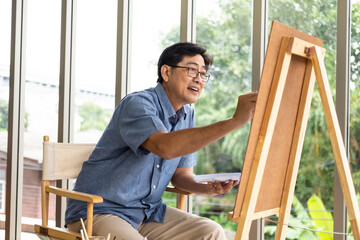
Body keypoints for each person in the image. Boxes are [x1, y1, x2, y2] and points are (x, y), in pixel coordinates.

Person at [65, 42, 258, 240]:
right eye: (192, 70)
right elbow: (164, 147)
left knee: (211, 231)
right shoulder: (138, 104)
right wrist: (235, 121)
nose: (199, 79)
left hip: (147, 214)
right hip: (100, 211)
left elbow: (181, 176)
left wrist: (208, 188)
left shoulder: (187, 115)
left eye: (203, 74)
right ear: (166, 72)